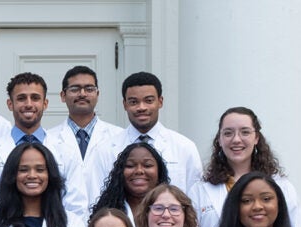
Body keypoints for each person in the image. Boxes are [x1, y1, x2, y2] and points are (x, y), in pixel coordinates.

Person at [81, 72, 202, 204]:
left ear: (160, 102)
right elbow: (95, 199)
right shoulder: (105, 150)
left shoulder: (184, 147)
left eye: (149, 101)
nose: (141, 107)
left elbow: (196, 201)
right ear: (124, 104)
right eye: (133, 102)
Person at [192, 107, 301, 227]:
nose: (236, 140)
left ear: (256, 138)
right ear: (219, 139)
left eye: (245, 132)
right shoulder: (200, 190)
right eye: (228, 133)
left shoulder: (282, 186)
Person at [4, 72, 88, 216]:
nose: (29, 104)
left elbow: (76, 206)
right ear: (10, 104)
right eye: (21, 98)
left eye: (35, 98)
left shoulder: (66, 150)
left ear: (45, 103)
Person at [0, 141, 85, 227]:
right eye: (23, 170)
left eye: (40, 170)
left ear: (50, 175)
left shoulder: (73, 225)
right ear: (12, 175)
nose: (32, 175)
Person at [46, 66, 124, 162]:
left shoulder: (119, 136)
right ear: (63, 96)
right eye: (75, 89)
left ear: (97, 94)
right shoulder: (48, 139)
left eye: (89, 89)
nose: (82, 94)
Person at [90, 140, 168, 218]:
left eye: (147, 165)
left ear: (159, 171)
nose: (139, 171)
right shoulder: (106, 214)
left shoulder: (171, 211)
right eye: (130, 166)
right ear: (120, 173)